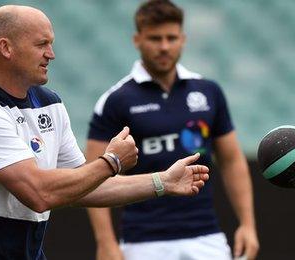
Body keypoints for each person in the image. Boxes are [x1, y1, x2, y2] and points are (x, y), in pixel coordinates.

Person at [0, 5, 211, 259]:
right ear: (6, 48)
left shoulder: (50, 103)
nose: (51, 54)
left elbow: (85, 186)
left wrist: (162, 182)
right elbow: (39, 194)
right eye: (41, 44)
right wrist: (111, 161)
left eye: (51, 44)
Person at [84, 1, 259, 259]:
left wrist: (247, 224)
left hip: (206, 238)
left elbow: (232, 160)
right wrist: (106, 243)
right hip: (142, 242)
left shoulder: (208, 92)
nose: (164, 46)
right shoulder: (116, 100)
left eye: (171, 38)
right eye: (155, 38)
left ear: (183, 39)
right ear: (137, 39)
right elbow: (93, 175)